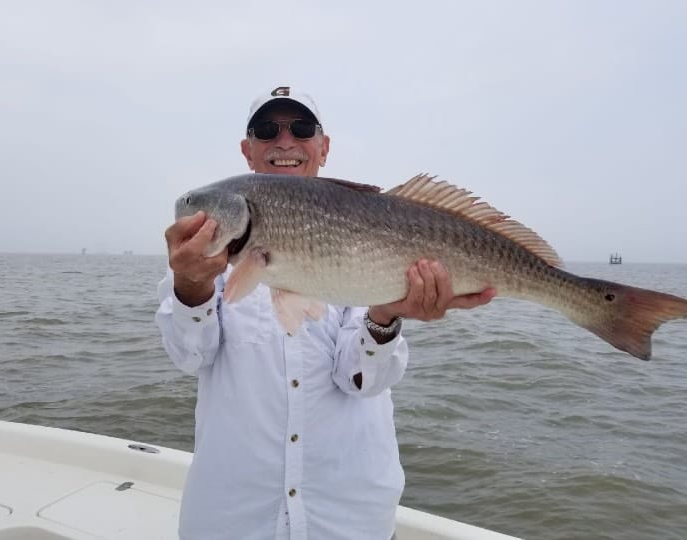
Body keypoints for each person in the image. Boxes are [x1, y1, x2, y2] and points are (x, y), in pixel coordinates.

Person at [155, 86, 495, 540]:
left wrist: (385, 315)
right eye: (266, 130)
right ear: (247, 149)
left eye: (301, 128)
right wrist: (192, 284)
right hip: (232, 520)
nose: (285, 141)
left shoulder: (368, 231)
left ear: (324, 146)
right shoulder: (201, 264)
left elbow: (363, 380)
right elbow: (189, 357)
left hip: (349, 520)